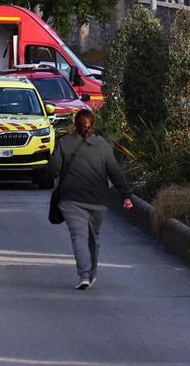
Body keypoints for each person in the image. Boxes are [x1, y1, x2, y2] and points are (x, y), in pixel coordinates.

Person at [48, 109, 133, 290]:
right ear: (92, 125)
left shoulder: (64, 143)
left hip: (70, 199)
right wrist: (126, 195)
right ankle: (91, 273)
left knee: (78, 236)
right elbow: (115, 172)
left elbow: (52, 170)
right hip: (98, 201)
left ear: (74, 124)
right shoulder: (103, 146)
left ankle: (84, 275)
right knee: (94, 238)